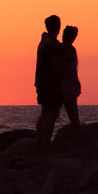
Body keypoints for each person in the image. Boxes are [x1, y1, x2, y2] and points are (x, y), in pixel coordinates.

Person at [34, 15, 62, 152]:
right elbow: (56, 65)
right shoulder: (50, 44)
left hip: (41, 82)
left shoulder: (44, 42)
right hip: (50, 83)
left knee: (45, 113)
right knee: (52, 114)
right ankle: (45, 145)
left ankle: (40, 145)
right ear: (58, 26)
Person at [58, 25, 82, 140]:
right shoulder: (68, 49)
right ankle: (77, 139)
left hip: (64, 86)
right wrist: (76, 82)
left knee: (70, 115)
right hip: (68, 87)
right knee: (73, 115)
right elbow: (68, 70)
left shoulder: (61, 48)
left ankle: (76, 138)